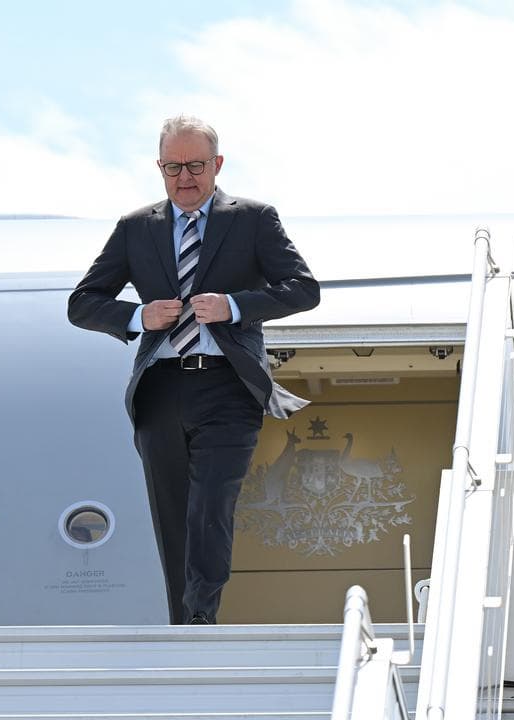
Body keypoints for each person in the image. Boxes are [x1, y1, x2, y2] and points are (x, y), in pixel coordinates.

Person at [68, 115, 319, 625]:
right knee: (173, 516)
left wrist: (234, 305)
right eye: (173, 166)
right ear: (160, 167)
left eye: (196, 166)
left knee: (210, 508)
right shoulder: (136, 228)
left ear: (217, 164)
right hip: (160, 386)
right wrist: (139, 316)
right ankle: (184, 631)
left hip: (228, 383)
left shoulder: (253, 219)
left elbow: (303, 289)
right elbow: (82, 303)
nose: (185, 177)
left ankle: (201, 618)